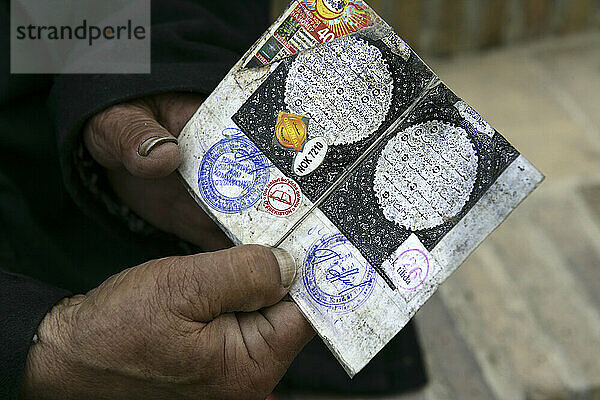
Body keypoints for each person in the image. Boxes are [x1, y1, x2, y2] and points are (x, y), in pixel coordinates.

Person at [0, 1, 427, 398]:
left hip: (115, 194)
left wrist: (140, 81)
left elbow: (41, 27)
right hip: (57, 270)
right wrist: (34, 342)